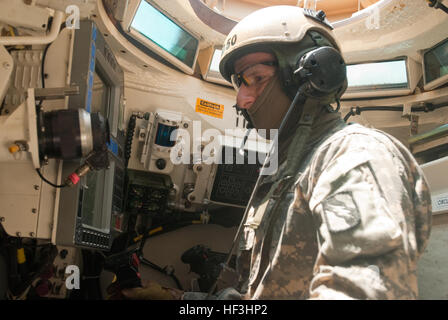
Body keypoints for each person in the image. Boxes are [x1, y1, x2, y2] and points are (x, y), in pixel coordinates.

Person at [122, 5, 432, 300]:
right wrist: (179, 298)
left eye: (256, 79)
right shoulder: (286, 172)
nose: (242, 100)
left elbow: (364, 289)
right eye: (238, 85)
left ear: (313, 77)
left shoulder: (354, 157)